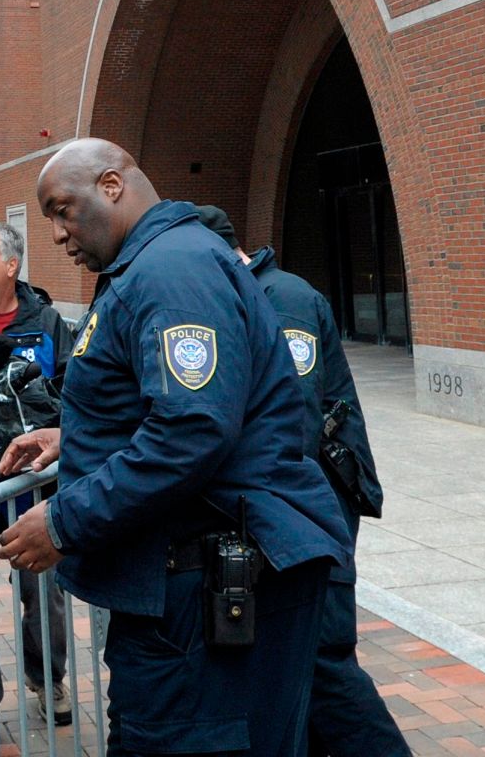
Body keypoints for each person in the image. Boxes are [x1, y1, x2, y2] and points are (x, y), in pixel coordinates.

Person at [0, 139, 348, 757]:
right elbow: (184, 406)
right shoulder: (160, 262)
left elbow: (191, 430)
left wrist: (62, 520)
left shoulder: (170, 269)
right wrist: (74, 439)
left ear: (111, 185)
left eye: (61, 209)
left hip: (203, 586)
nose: (54, 234)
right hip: (194, 580)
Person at [197, 205, 409, 757]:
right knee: (299, 664)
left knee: (325, 660)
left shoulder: (284, 299)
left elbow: (294, 413)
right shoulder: (247, 295)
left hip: (320, 508)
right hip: (295, 507)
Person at [0, 219, 78, 726]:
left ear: (12, 264)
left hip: (35, 487)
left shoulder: (47, 323)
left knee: (44, 594)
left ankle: (47, 679)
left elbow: (75, 393)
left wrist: (46, 404)